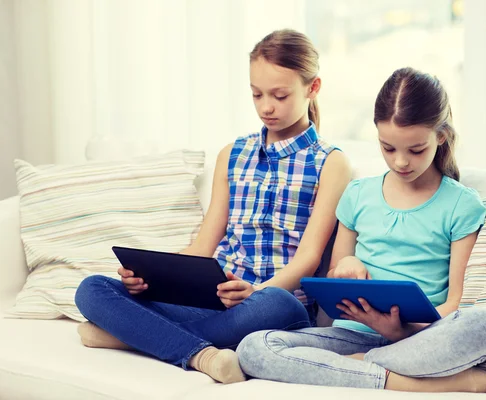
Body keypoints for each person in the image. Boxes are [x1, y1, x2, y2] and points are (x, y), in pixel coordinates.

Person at [74, 29, 352, 384]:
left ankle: (128, 336)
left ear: (312, 88)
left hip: (272, 303)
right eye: (256, 94)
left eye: (279, 95)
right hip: (213, 298)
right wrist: (151, 279)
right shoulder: (233, 154)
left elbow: (308, 258)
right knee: (92, 288)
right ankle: (204, 355)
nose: (266, 106)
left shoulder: (330, 162)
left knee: (278, 305)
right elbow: (204, 246)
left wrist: (257, 291)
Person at [237, 67, 486, 393]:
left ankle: (358, 367)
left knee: (482, 326)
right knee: (255, 347)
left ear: (441, 136)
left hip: (420, 337)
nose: (401, 162)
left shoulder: (462, 204)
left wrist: (399, 331)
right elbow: (335, 277)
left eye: (415, 150)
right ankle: (404, 381)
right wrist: (346, 267)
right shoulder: (359, 194)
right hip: (352, 333)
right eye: (388, 148)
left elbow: (455, 303)